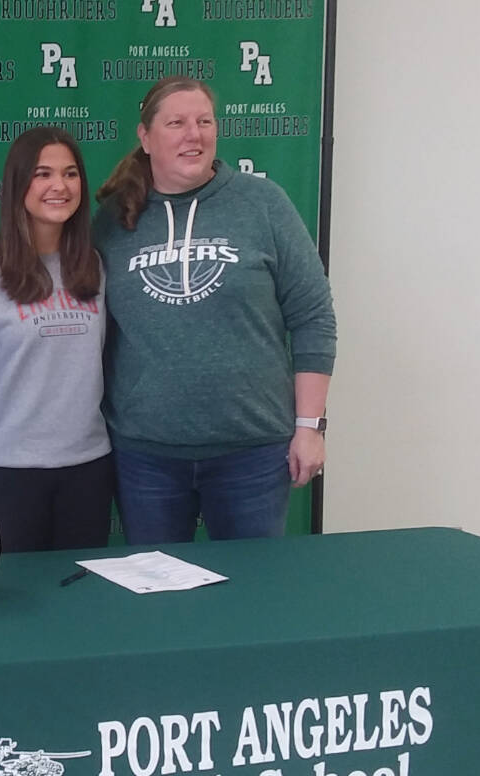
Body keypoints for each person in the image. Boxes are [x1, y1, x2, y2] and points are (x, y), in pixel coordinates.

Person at [92, 76, 337, 544]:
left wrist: (310, 426)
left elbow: (313, 318)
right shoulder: (115, 219)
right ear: (145, 138)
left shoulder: (263, 204)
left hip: (253, 454)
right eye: (177, 123)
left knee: (253, 599)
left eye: (204, 121)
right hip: (146, 457)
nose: (194, 134)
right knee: (159, 599)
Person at [0, 127, 112, 552]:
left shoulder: (94, 267)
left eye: (70, 174)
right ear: (20, 185)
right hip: (7, 475)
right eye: (43, 174)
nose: (60, 186)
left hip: (88, 470)